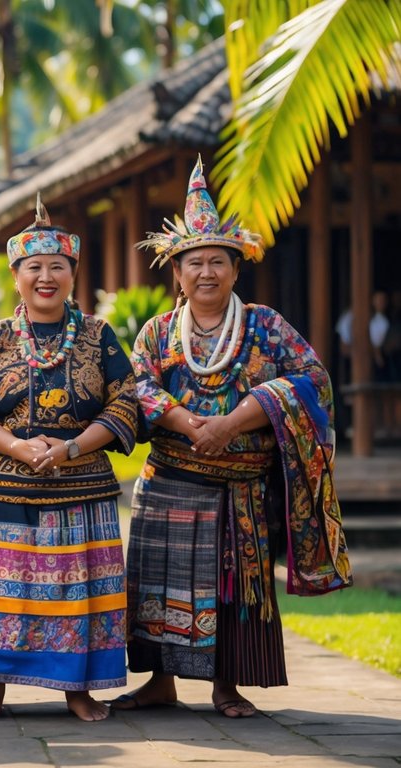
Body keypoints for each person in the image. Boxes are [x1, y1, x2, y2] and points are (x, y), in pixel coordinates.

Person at [117, 158, 351, 718]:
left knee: (231, 586)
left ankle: (227, 684)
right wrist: (184, 422)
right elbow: (135, 385)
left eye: (217, 261)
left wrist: (234, 421)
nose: (205, 272)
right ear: (176, 272)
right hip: (170, 480)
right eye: (193, 262)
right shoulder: (156, 331)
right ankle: (159, 682)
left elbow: (312, 381)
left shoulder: (266, 326)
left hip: (239, 488)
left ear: (235, 270)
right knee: (157, 582)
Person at [0, 195, 138, 722]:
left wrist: (72, 446)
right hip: (4, 489)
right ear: (17, 276)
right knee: (3, 594)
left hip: (82, 485)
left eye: (58, 266)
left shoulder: (100, 336)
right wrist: (15, 446)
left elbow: (126, 400)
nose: (46, 276)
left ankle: (78, 689)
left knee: (78, 593)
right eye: (34, 267)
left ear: (74, 273)